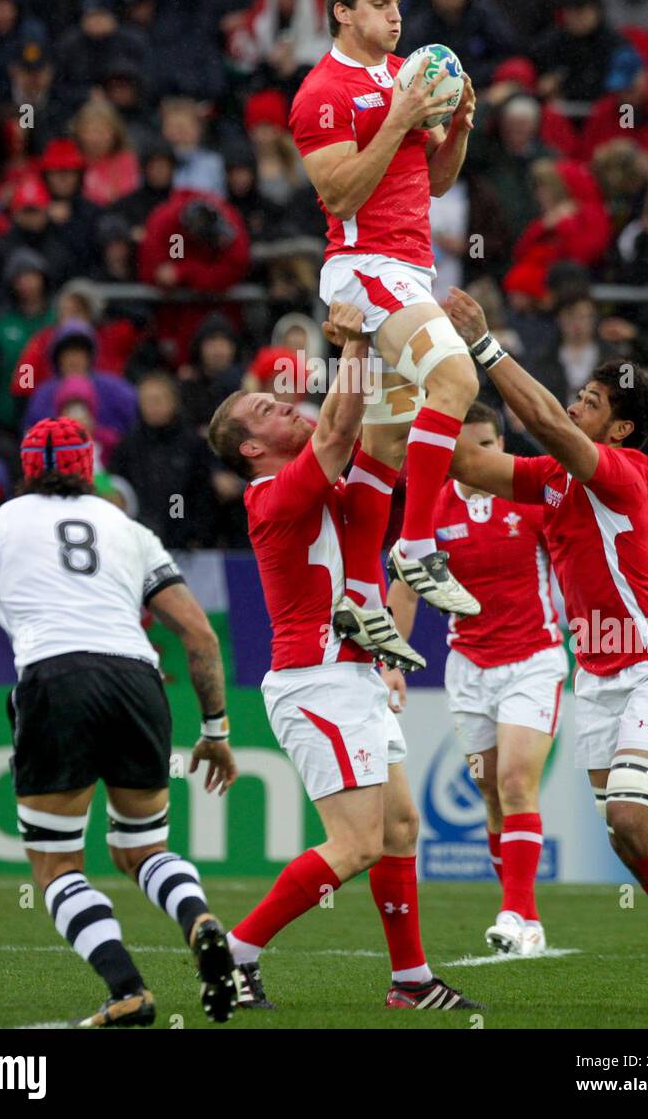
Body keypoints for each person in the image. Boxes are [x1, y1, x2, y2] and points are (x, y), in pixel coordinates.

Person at [442, 285, 648, 1015]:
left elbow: (547, 423)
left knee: (630, 819)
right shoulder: (553, 480)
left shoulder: (626, 475)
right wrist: (415, 394)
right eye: (577, 396)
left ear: (617, 431)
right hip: (599, 680)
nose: (574, 404)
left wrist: (486, 346)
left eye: (589, 401)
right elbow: (469, 468)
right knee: (629, 837)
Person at [0, 415, 239, 1027]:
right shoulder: (127, 527)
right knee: (142, 849)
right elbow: (198, 635)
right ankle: (200, 920)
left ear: (25, 470)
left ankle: (129, 992)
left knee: (58, 867)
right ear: (90, 467)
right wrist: (215, 732)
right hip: (139, 680)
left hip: (57, 680)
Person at [207, 302, 477, 1013]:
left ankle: (411, 981)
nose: (287, 408)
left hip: (355, 672)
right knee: (355, 844)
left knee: (398, 829)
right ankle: (234, 954)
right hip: (315, 677)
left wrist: (416, 332)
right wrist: (354, 337)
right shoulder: (271, 495)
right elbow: (339, 425)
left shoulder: (338, 483)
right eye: (268, 408)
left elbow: (385, 425)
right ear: (249, 449)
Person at [288, 0, 481, 660]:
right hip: (365, 267)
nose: (395, 15)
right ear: (343, 13)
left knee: (384, 448)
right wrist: (399, 119)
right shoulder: (322, 92)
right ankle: (418, 545)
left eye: (397, 3)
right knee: (456, 381)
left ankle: (362, 598)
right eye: (378, 3)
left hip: (408, 270)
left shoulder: (403, 76)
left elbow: (432, 183)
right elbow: (339, 196)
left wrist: (455, 128)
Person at [388, 402, 566, 958]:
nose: (480, 458)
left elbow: (577, 563)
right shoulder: (431, 509)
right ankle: (518, 910)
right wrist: (391, 660)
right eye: (468, 449)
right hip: (468, 669)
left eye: (489, 445)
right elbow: (408, 588)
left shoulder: (531, 495)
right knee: (490, 792)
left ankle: (521, 916)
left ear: (502, 442)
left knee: (515, 782)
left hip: (534, 660)